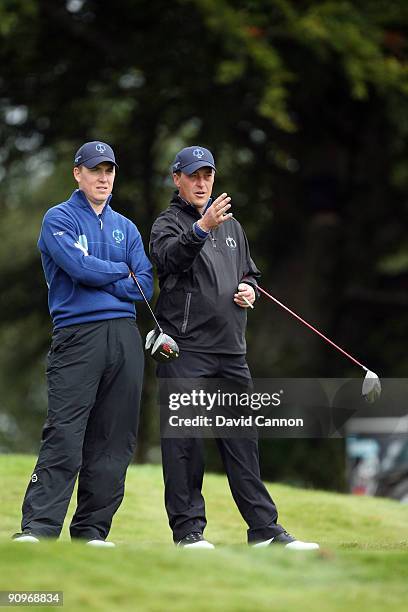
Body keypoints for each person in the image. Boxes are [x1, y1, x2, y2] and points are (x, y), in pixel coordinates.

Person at [150, 145, 319, 550]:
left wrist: (249, 289)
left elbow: (250, 272)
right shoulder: (167, 224)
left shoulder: (233, 227)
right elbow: (169, 260)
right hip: (185, 349)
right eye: (193, 176)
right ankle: (189, 533)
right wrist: (201, 228)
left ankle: (264, 530)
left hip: (230, 350)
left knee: (243, 442)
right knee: (185, 445)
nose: (202, 182)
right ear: (178, 180)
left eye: (207, 175)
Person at [13, 141, 153, 547]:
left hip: (125, 338)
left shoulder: (125, 227)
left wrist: (105, 274)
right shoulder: (58, 218)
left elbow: (144, 284)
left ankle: (92, 531)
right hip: (78, 336)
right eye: (95, 170)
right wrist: (118, 272)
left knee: (114, 438)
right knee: (66, 434)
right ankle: (38, 529)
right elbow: (76, 268)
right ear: (78, 173)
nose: (103, 177)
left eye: (109, 170)